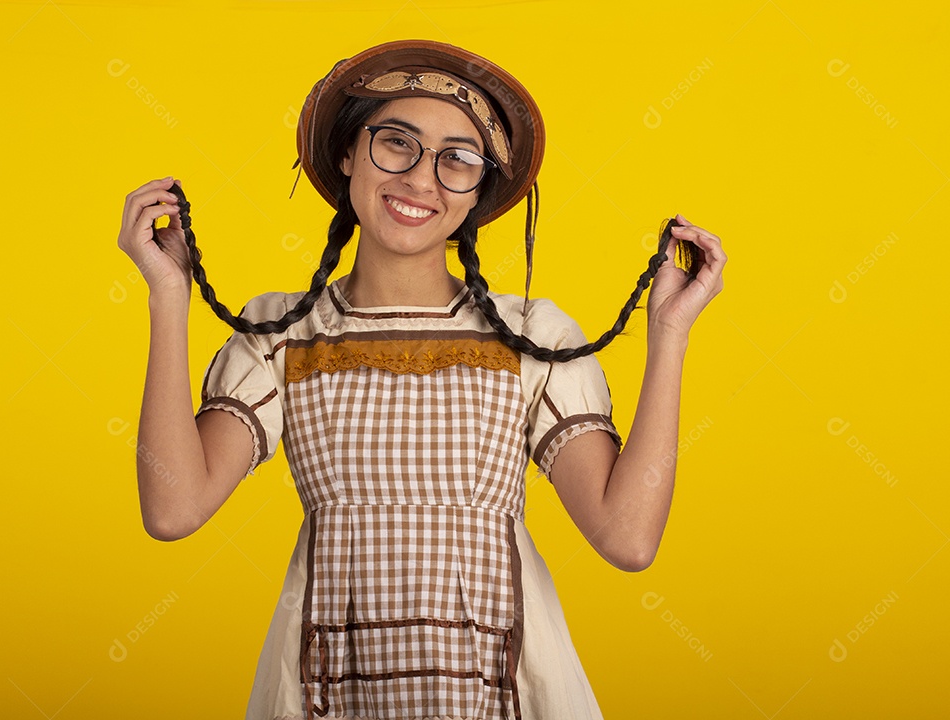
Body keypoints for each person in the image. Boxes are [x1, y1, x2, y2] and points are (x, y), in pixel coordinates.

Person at [116, 39, 725, 720]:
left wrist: (669, 333)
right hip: (327, 691)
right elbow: (173, 510)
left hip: (506, 692)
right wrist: (167, 298)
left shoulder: (534, 338)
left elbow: (628, 536)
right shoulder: (282, 334)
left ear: (479, 191)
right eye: (396, 142)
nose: (421, 178)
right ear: (348, 153)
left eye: (457, 160)